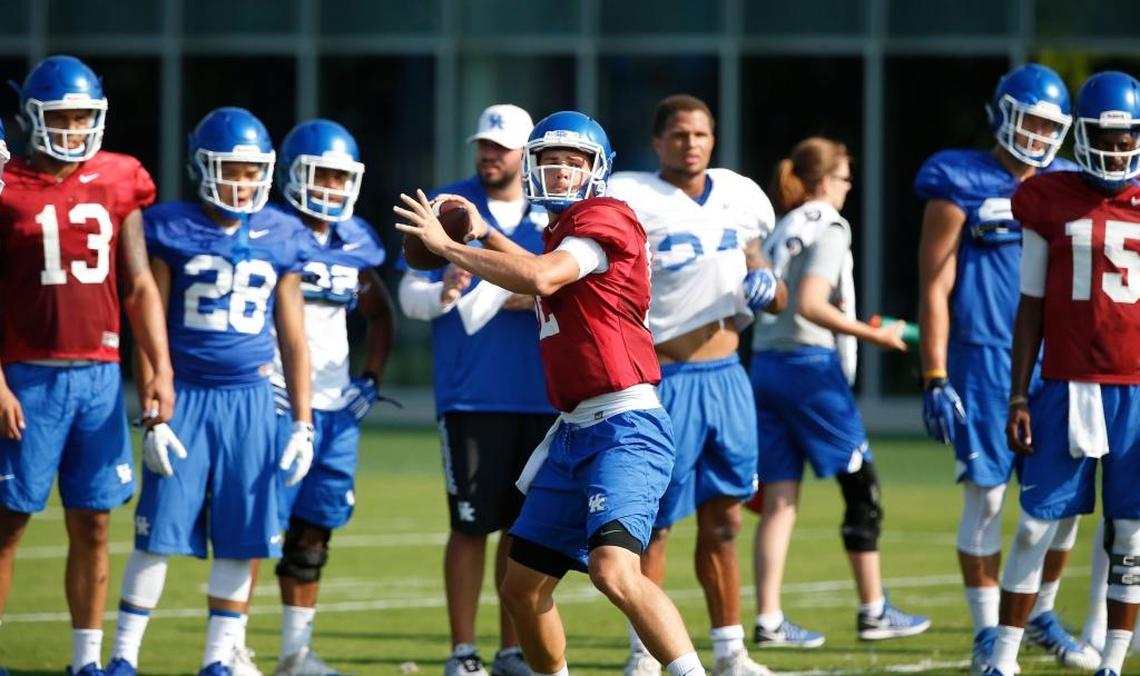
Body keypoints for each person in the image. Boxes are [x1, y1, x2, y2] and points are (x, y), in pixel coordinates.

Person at [396, 110, 712, 676]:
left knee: (615, 571)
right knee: (522, 588)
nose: (561, 171)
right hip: (573, 431)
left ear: (598, 170)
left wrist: (449, 248)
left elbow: (542, 277)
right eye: (550, 161)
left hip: (625, 426)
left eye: (574, 161)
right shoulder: (558, 233)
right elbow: (535, 266)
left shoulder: (606, 216)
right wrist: (482, 232)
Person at [105, 107, 314, 676]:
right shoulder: (171, 226)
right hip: (187, 395)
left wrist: (302, 422)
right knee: (158, 530)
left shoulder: (281, 232)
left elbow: (294, 338)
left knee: (243, 536)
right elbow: (149, 321)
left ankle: (218, 661)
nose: (242, 183)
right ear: (203, 167)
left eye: (252, 172)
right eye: (231, 170)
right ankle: (123, 655)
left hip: (252, 399)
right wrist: (153, 407)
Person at [915, 63, 1098, 672]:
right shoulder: (959, 178)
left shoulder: (1074, 180)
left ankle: (1039, 611)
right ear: (1003, 113)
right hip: (984, 359)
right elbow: (934, 285)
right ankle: (987, 632)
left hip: (1062, 358)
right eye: (1034, 122)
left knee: (1065, 503)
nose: (1042, 137)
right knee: (989, 498)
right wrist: (934, 372)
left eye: (1053, 126)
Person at [0, 55, 174, 676]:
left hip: (100, 375)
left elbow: (139, 284)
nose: (74, 129)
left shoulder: (119, 177)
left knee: (95, 523)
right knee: (8, 522)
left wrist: (159, 367)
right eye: (62, 117)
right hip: (27, 373)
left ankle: (87, 661)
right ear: (33, 118)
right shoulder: (6, 183)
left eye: (84, 116)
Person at [606, 94, 783, 676]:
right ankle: (645, 654)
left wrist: (767, 284)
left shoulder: (740, 195)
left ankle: (731, 650)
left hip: (729, 376)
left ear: (714, 139)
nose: (691, 143)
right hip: (666, 378)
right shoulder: (631, 197)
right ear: (658, 143)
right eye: (679, 135)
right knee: (654, 522)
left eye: (701, 134)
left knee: (726, 518)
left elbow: (768, 279)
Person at [985, 70, 1140, 676]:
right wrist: (1018, 393)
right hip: (1069, 384)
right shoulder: (1048, 198)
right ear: (1082, 134)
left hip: (1135, 389)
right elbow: (1030, 304)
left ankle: (1113, 662)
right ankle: (1002, 658)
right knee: (1033, 528)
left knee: (1128, 538)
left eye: (1129, 137)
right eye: (1109, 135)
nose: (1120, 148)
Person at [750, 137, 931, 651]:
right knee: (862, 486)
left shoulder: (783, 225)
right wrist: (876, 335)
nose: (849, 188)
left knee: (781, 500)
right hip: (808, 368)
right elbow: (810, 304)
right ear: (826, 182)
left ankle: (768, 620)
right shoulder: (828, 223)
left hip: (765, 364)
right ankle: (874, 609)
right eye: (847, 179)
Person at [396, 103, 554, 676]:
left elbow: (561, 282)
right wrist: (443, 295)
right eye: (483, 145)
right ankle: (463, 651)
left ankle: (512, 649)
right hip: (472, 394)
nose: (489, 156)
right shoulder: (447, 205)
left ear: (525, 154)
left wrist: (521, 293)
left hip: (543, 395)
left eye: (501, 147)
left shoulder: (553, 209)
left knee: (523, 530)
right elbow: (408, 295)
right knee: (469, 526)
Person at [267, 118, 395, 675]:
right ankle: (227, 649)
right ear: (292, 174)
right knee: (258, 529)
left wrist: (370, 379)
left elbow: (380, 314)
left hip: (335, 409)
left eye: (341, 178)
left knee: (313, 534)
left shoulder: (354, 243)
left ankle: (296, 654)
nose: (329, 189)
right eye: (319, 175)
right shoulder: (269, 231)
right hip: (271, 400)